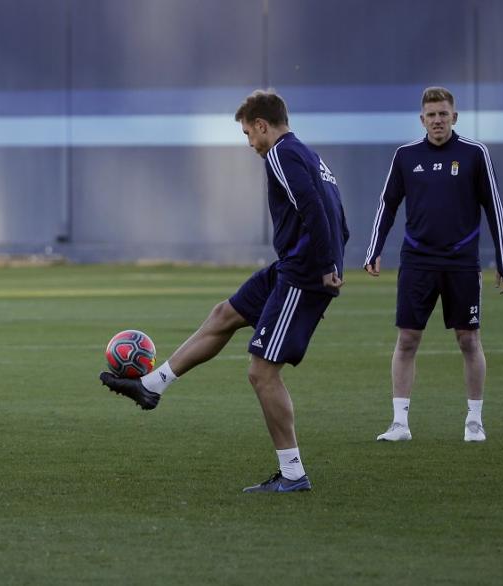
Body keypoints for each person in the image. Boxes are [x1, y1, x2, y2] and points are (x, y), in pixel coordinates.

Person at [100, 90, 349, 493]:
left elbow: (316, 210)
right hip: (291, 266)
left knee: (261, 373)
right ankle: (151, 386)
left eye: (248, 133)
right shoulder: (308, 154)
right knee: (224, 315)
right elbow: (337, 213)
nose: (250, 143)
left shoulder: (281, 154)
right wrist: (332, 259)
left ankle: (292, 474)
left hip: (304, 275)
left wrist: (326, 267)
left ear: (263, 125)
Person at [364, 87, 503, 443]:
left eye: (443, 114)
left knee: (468, 340)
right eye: (431, 115)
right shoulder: (405, 156)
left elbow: (495, 208)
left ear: (454, 117)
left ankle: (474, 421)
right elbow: (387, 205)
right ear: (422, 119)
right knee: (407, 340)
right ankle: (400, 423)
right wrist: (374, 250)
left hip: (462, 262)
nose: (437, 121)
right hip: (417, 261)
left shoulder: (475, 154)